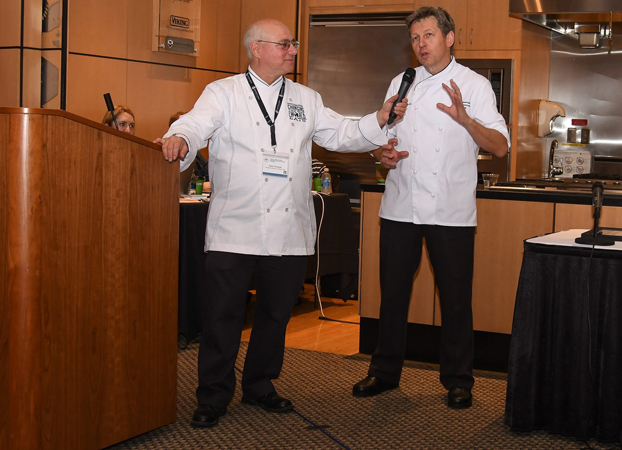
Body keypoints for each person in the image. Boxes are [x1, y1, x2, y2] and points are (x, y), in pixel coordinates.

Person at [155, 18, 406, 428]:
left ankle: (259, 385)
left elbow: (341, 133)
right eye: (285, 43)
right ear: (256, 48)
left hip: (289, 230)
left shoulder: (305, 98)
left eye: (294, 43)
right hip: (234, 228)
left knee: (275, 315)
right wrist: (180, 137)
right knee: (223, 317)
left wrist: (377, 119)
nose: (293, 50)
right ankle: (214, 395)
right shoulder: (223, 92)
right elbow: (194, 123)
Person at [352, 6, 510, 409]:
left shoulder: (473, 85)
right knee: (393, 294)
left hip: (450, 210)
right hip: (401, 205)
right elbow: (383, 138)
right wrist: (382, 156)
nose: (421, 44)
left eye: (429, 36)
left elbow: (500, 146)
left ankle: (459, 379)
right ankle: (384, 372)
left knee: (455, 298)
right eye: (415, 38)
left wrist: (465, 120)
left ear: (450, 37)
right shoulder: (402, 81)